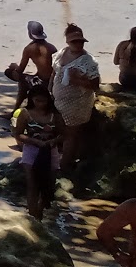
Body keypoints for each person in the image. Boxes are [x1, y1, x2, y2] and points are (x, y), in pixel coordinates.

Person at [53, 23, 101, 176]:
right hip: (58, 100)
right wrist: (50, 89)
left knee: (71, 135)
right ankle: (64, 160)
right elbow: (55, 73)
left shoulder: (88, 61)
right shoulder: (61, 53)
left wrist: (77, 81)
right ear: (67, 41)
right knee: (62, 132)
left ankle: (64, 166)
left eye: (81, 41)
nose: (78, 44)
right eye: (75, 41)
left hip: (77, 103)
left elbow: (95, 85)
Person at [14, 84, 65, 221]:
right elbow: (18, 134)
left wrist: (52, 142)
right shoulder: (25, 113)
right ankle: (32, 214)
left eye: (43, 101)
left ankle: (40, 210)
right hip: (31, 150)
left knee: (48, 182)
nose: (41, 104)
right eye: (37, 101)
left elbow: (63, 134)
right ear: (32, 99)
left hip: (50, 151)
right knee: (32, 183)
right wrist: (36, 142)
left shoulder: (55, 115)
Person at [11, 20, 58, 105]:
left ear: (30, 33)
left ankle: (16, 107)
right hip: (53, 81)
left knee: (21, 80)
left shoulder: (29, 49)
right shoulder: (51, 48)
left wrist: (14, 66)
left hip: (42, 82)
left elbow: (20, 70)